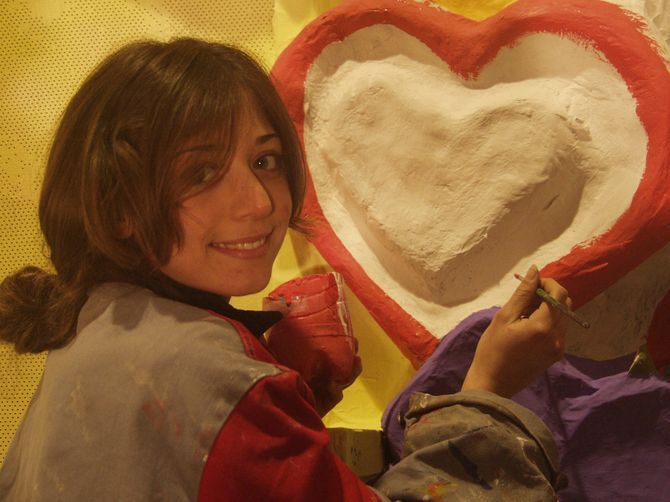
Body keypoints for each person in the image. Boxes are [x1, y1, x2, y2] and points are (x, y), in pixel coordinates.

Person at [0, 38, 571, 501]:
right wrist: (486, 391)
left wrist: (293, 401)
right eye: (200, 173)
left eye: (264, 160)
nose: (260, 202)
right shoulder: (218, 379)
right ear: (117, 206)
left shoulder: (97, 323)